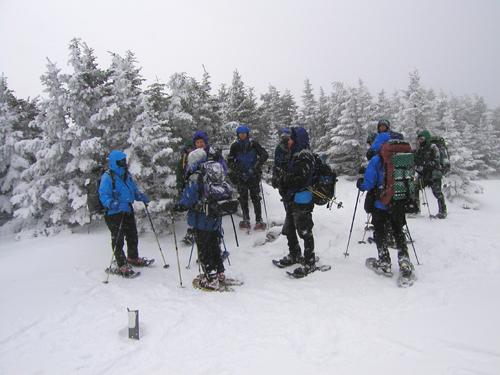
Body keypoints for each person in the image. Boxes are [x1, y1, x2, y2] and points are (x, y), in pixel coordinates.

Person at [356, 132, 414, 278]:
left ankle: (384, 262)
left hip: (381, 203)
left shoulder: (377, 160)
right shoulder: (403, 158)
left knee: (380, 232)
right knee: (398, 232)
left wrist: (361, 184)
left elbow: (369, 184)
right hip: (399, 202)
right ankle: (404, 262)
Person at [174, 147, 226, 288]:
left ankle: (211, 276)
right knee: (214, 244)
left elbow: (190, 197)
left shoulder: (196, 175)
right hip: (215, 215)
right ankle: (220, 272)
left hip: (202, 217)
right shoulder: (214, 170)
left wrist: (179, 205)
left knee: (204, 248)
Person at [99, 150, 150, 276]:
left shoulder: (126, 175)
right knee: (118, 239)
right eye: (121, 161)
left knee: (132, 235)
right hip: (114, 213)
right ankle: (121, 264)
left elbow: (132, 189)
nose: (124, 163)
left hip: (127, 210)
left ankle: (132, 257)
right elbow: (103, 194)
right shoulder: (107, 177)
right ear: (114, 162)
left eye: (124, 160)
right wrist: (111, 203)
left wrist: (139, 196)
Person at [274, 127, 316, 273]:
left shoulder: (305, 156)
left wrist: (284, 179)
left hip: (302, 198)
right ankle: (295, 253)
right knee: (290, 228)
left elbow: (301, 178)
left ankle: (310, 260)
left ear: (298, 139)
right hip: (292, 198)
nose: (289, 141)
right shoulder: (295, 154)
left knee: (304, 230)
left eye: (291, 138)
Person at [227, 125, 269, 230]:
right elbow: (230, 161)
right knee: (243, 198)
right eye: (240, 134)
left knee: (256, 198)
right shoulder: (235, 146)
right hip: (241, 176)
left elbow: (264, 154)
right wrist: (238, 170)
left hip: (253, 176)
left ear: (247, 134)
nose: (242, 136)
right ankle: (246, 220)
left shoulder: (254, 144)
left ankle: (259, 220)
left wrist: (256, 166)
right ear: (238, 135)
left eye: (244, 134)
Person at [414, 129, 447, 218]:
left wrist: (424, 164)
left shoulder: (433, 147)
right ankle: (415, 209)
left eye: (422, 139)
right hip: (424, 173)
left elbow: (436, 161)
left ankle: (442, 211)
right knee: (415, 187)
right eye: (419, 139)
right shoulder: (420, 149)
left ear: (427, 138)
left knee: (437, 192)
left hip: (434, 173)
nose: (420, 141)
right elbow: (416, 159)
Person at [175, 140, 195, 245]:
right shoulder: (182, 161)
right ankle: (191, 231)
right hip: (188, 188)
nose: (190, 151)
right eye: (188, 149)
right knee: (192, 210)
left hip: (197, 188)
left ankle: (195, 231)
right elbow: (179, 176)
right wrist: (180, 189)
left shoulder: (198, 158)